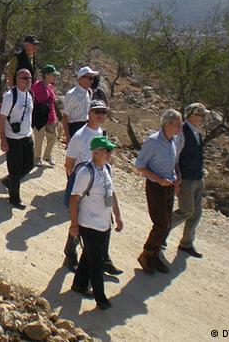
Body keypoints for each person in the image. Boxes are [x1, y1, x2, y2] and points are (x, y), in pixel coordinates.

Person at [63, 100, 122, 275]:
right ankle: (70, 253)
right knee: (80, 221)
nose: (101, 115)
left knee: (105, 219)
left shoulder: (101, 132)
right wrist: (78, 184)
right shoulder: (80, 136)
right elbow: (69, 163)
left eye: (104, 112)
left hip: (99, 179)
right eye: (97, 112)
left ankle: (104, 258)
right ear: (89, 113)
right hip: (85, 181)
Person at [69, 136, 123, 311]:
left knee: (89, 256)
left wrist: (118, 215)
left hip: (104, 224)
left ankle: (79, 284)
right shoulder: (86, 173)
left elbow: (112, 192)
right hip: (89, 224)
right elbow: (74, 198)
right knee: (97, 262)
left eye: (110, 151)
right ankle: (101, 299)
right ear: (96, 152)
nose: (110, 154)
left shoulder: (106, 168)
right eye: (107, 151)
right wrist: (74, 225)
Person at [135, 109, 183, 274]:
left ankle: (155, 256)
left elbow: (174, 161)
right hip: (156, 187)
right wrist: (158, 179)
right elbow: (140, 165)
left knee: (167, 223)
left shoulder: (173, 141)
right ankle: (146, 254)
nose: (180, 128)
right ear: (168, 124)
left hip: (169, 186)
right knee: (161, 223)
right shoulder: (153, 141)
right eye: (177, 124)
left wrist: (177, 177)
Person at [170, 103, 209, 258]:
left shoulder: (196, 132)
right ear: (192, 115)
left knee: (196, 213)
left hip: (197, 178)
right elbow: (175, 156)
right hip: (186, 178)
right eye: (201, 115)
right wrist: (177, 178)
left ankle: (186, 243)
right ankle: (161, 232)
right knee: (186, 210)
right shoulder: (182, 132)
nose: (203, 118)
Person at [0, 69, 34, 209]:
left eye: (30, 78)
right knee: (15, 169)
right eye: (24, 78)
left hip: (27, 135)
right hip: (13, 138)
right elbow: (1, 119)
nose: (28, 80)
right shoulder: (10, 96)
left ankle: (9, 182)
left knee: (29, 165)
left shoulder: (29, 94)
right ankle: (14, 198)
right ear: (17, 79)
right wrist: (3, 139)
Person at [62, 66, 97, 146]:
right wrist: (68, 137)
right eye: (90, 78)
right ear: (81, 78)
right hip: (74, 127)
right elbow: (65, 117)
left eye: (92, 78)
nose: (91, 81)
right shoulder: (72, 94)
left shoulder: (89, 92)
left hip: (85, 126)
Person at [31, 65, 59, 167]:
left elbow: (52, 104)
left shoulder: (50, 87)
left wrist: (55, 118)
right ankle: (37, 158)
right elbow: (31, 100)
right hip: (39, 117)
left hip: (50, 117)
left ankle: (47, 156)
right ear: (46, 75)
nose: (54, 77)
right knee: (39, 138)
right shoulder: (36, 86)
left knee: (53, 137)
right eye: (53, 75)